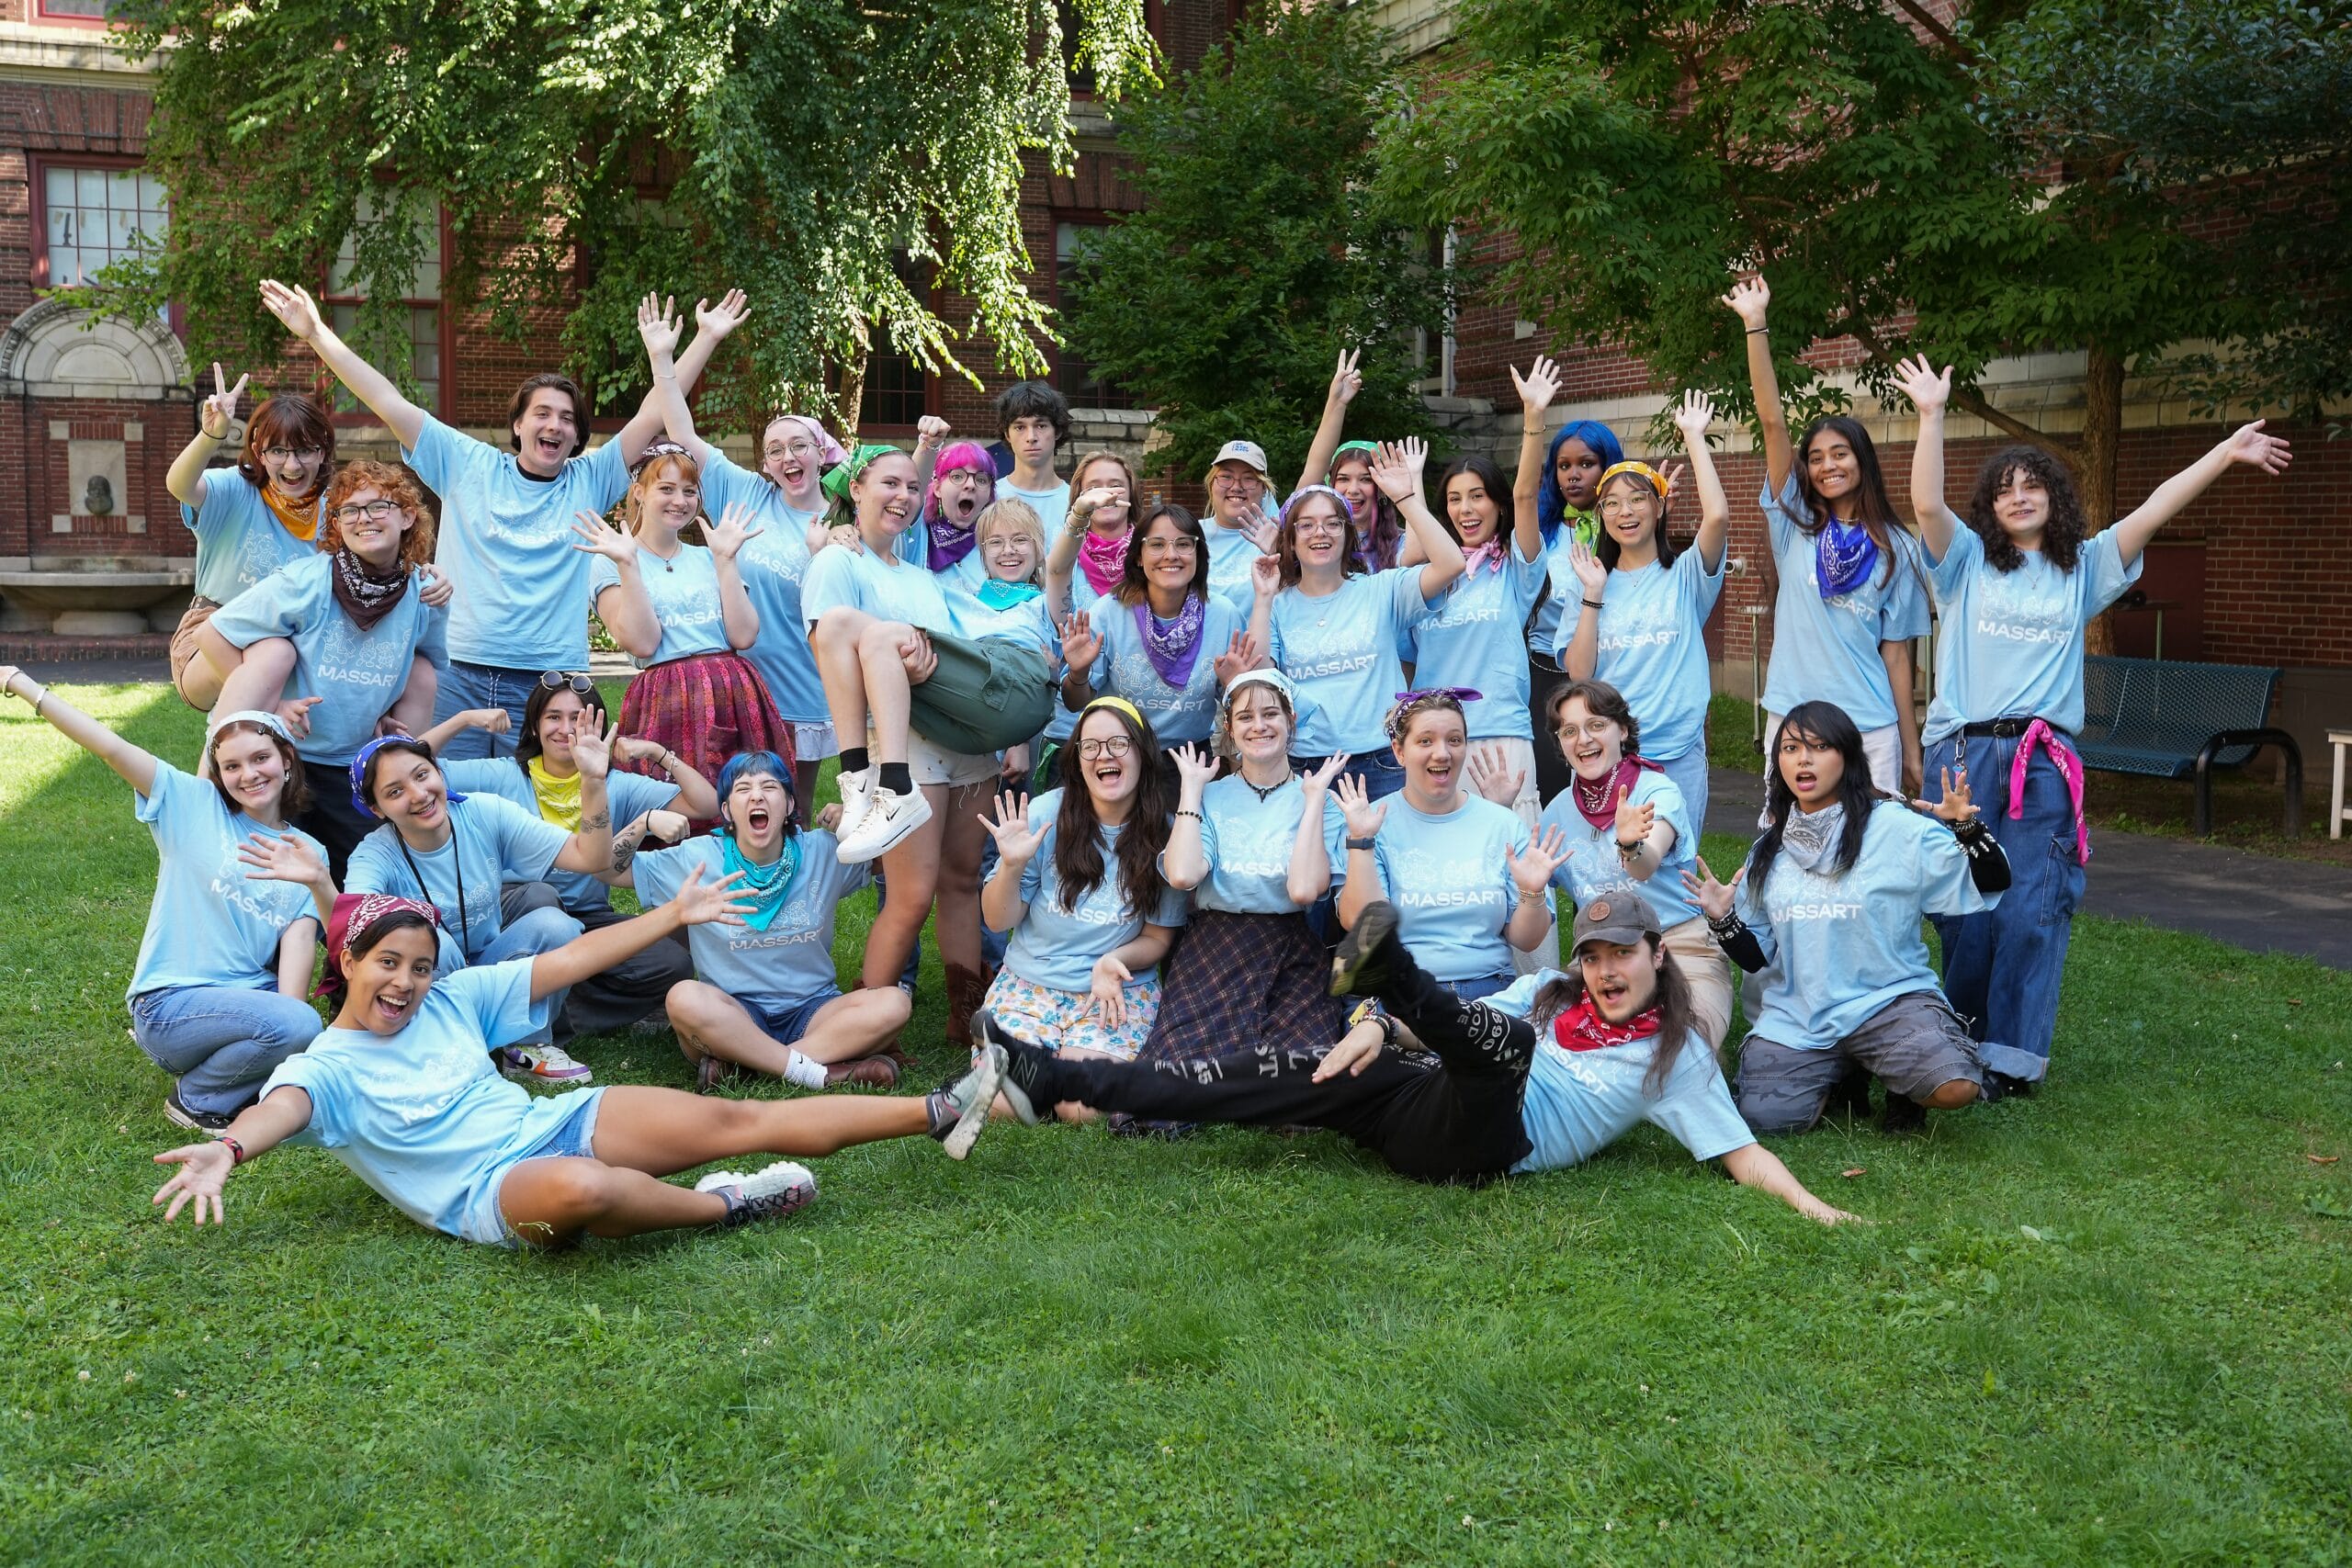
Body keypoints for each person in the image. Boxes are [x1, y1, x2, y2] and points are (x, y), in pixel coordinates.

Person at [148, 886, 1020, 1248]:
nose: (406, 983)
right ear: (350, 961)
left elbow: (576, 957)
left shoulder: (454, 999)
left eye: (419, 965)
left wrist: (673, 911)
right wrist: (231, 1148)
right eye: (388, 964)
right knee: (581, 1192)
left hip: (554, 1119)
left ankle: (939, 1111)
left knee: (738, 1119)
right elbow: (287, 1104)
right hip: (492, 1192)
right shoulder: (329, 1062)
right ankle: (727, 1204)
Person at [1894, 355, 2293, 1092]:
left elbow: (2156, 508)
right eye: (2006, 488)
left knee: (2031, 906)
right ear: (1991, 505)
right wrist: (1929, 415)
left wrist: (2224, 451)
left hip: (2042, 762)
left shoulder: (2086, 567)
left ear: (2055, 498)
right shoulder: (1970, 564)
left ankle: (2013, 1061)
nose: (2019, 497)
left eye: (2033, 484)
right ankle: (1960, 1045)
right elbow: (1923, 507)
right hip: (1965, 755)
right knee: (1964, 909)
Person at [979, 890, 1856, 1223]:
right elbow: (1459, 1024)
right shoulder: (1551, 989)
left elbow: (1743, 1153)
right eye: (1592, 955)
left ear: (1655, 954)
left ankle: (1387, 964)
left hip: (1487, 1145)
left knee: (1504, 1051)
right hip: (1419, 1101)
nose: (1605, 970)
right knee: (1260, 1076)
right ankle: (1046, 1074)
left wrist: (1818, 1210)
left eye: (1621, 954)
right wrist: (1376, 1029)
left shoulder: (1677, 1056)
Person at [256, 281, 729, 755]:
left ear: (577, 434)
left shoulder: (590, 478)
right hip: (456, 674)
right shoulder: (468, 463)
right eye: (542, 413)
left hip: (550, 685)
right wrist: (318, 333)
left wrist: (699, 341)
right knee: (441, 800)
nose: (555, 425)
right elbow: (386, 400)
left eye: (567, 418)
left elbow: (654, 412)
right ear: (518, 424)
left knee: (541, 815)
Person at [0, 673, 334, 1131]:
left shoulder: (309, 852)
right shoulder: (191, 804)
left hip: (248, 1004)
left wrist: (290, 1047)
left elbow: (298, 948)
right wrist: (25, 687)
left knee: (302, 1027)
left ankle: (248, 1074)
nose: (249, 774)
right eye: (232, 766)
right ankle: (198, 1097)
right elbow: (110, 747)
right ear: (219, 775)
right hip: (171, 1005)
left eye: (260, 758)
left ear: (287, 760)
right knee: (297, 1027)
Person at [1684, 701, 2012, 1134]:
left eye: (1819, 747)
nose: (1803, 759)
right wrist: (1722, 918)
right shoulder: (1770, 853)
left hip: (1889, 1002)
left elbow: (1992, 878)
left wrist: (1968, 830)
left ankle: (1903, 1084)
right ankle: (1842, 1071)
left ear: (1847, 756)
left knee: (1954, 1087)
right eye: (1790, 748)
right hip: (1802, 1016)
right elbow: (1755, 957)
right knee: (1764, 1119)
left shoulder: (1894, 828)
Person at [803, 446, 1055, 875]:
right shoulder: (836, 559)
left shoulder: (923, 577)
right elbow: (828, 647)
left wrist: (1037, 652)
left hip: (952, 727)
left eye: (914, 488)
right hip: (901, 736)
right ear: (857, 489)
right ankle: (863, 780)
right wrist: (832, 536)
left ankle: (877, 786)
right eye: (891, 484)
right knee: (909, 896)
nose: (904, 495)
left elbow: (967, 640)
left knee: (963, 882)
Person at [1724, 274, 1929, 798]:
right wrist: (1756, 325)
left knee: (1870, 860)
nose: (1827, 466)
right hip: (1794, 721)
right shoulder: (1793, 522)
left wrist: (1910, 748)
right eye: (1815, 457)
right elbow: (1772, 423)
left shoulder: (1898, 548)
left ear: (1862, 460)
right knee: (1788, 848)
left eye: (1839, 453)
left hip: (1870, 725)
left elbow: (1898, 655)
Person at [194, 459, 449, 879]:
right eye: (349, 511)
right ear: (337, 526)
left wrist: (388, 711)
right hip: (291, 755)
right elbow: (212, 635)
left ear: (407, 517)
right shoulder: (307, 581)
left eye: (378, 507)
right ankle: (205, 796)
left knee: (423, 672)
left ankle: (403, 793)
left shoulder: (424, 592)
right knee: (260, 871)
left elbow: (421, 662)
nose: (363, 519)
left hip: (355, 761)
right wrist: (276, 705)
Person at [641, 289, 841, 806]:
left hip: (803, 694)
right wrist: (667, 355)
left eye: (799, 446)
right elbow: (678, 427)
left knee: (787, 809)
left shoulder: (842, 520)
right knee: (731, 807)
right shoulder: (748, 492)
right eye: (775, 450)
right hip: (733, 688)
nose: (787, 457)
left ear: (821, 453)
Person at [439, 673, 716, 1039]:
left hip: (587, 917)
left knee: (671, 965)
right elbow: (411, 765)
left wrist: (656, 753)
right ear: (535, 727)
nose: (565, 728)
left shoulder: (614, 783)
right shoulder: (502, 775)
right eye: (553, 717)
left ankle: (552, 1013)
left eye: (578, 718)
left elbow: (707, 803)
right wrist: (463, 720)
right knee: (543, 896)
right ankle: (526, 1000)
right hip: (516, 913)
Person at [619, 751, 911, 1091]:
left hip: (814, 1010)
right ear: (727, 811)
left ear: (788, 805)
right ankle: (821, 1069)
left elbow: (896, 856)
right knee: (683, 998)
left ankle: (753, 1066)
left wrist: (858, 824)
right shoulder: (698, 858)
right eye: (742, 789)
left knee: (894, 1003)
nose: (756, 795)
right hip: (733, 1013)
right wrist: (644, 822)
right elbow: (608, 869)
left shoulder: (822, 849)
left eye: (769, 786)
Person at [342, 732, 615, 1082]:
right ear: (376, 809)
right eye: (395, 791)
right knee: (429, 939)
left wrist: (592, 781)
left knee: (557, 925)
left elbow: (591, 856)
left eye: (422, 775)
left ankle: (524, 1048)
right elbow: (353, 927)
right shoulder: (374, 854)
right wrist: (321, 883)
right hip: (434, 980)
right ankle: (442, 1046)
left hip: (492, 962)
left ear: (438, 771)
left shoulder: (483, 812)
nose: (419, 795)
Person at [1148, 671, 1351, 1097]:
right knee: (1174, 1087)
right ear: (1230, 729)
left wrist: (1312, 803)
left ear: (1290, 720)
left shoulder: (1318, 797)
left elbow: (1304, 891)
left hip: (1289, 945)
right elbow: (1183, 875)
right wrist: (1191, 790)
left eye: (1271, 713)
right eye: (1245, 717)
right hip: (1216, 944)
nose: (1259, 725)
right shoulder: (1211, 795)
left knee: (1302, 1086)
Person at [977, 698, 1189, 1094]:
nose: (1103, 755)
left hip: (1117, 989)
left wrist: (1114, 960)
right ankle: (1040, 1065)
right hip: (1031, 983)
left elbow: (1158, 938)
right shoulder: (1043, 816)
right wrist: (1010, 866)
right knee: (1007, 1096)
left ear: (1142, 753)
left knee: (1085, 1104)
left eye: (1117, 744)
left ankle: (1052, 1068)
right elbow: (997, 920)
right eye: (1089, 747)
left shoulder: (1168, 834)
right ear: (1077, 762)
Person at [573, 436, 789, 818]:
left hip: (732, 692)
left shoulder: (710, 555)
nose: (680, 500)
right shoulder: (610, 562)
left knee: (747, 805)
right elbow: (643, 642)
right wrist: (628, 564)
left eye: (689, 491)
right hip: (664, 697)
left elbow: (744, 635)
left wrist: (724, 560)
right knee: (678, 813)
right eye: (667, 488)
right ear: (639, 492)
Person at [1249, 440, 1467, 797]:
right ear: (1289, 541)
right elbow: (1260, 676)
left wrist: (1406, 498)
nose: (1320, 533)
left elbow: (1451, 563)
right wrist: (1262, 598)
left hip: (1382, 762)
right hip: (1306, 767)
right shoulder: (1276, 602)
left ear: (1348, 534)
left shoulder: (1381, 590)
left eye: (1333, 523)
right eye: (1306, 526)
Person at [1555, 390, 1732, 831]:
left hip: (1678, 752)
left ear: (1659, 506)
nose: (1625, 511)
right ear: (1601, 515)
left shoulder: (1688, 574)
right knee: (1615, 871)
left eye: (1637, 499)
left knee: (1673, 871)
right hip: (1609, 755)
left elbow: (1718, 518)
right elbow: (1579, 673)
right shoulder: (1589, 578)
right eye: (1611, 503)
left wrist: (1693, 437)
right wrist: (1593, 594)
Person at [1401, 449, 1551, 968]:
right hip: (1435, 745)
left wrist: (1532, 418)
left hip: (1500, 741)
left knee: (1514, 867)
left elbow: (1527, 494)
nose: (1466, 509)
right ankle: (1450, 984)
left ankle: (1531, 1003)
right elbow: (1405, 664)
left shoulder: (1515, 566)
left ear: (1497, 503)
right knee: (1448, 869)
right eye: (1455, 499)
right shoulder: (1424, 577)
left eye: (1478, 496)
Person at [1532, 680, 1731, 1050]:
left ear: (1622, 730)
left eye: (1596, 725)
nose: (1583, 740)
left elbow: (1645, 865)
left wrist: (1629, 843)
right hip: (1601, 955)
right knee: (1553, 1044)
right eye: (1570, 731)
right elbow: (1534, 922)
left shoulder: (1657, 790)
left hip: (1678, 946)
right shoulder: (1556, 812)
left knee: (1689, 1049)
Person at [931, 498, 1064, 1046]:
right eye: (995, 543)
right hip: (970, 733)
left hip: (1023, 731)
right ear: (980, 553)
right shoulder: (963, 599)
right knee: (982, 856)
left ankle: (1019, 969)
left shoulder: (1043, 601)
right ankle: (983, 979)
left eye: (1020, 542)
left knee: (1018, 855)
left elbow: (1044, 671)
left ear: (1037, 550)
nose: (1008, 552)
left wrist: (1019, 742)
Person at [1333, 689, 1565, 1002]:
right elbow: (1360, 925)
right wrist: (1362, 842)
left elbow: (1526, 939)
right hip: (1399, 991)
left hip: (1488, 989)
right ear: (1399, 751)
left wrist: (1532, 893)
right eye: (1425, 741)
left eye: (1454, 740)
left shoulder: (1502, 824)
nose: (1442, 753)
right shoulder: (1372, 823)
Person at [163, 368, 343, 707]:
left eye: (305, 450)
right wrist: (210, 435)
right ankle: (269, 710)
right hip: (213, 637)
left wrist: (423, 574)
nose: (292, 464)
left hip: (300, 642)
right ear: (259, 452)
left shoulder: (337, 508)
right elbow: (179, 485)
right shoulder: (235, 490)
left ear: (322, 453)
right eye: (278, 451)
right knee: (271, 649)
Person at [1514, 355, 1626, 806]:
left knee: (1610, 793)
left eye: (1587, 463)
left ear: (1608, 466)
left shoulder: (1625, 529)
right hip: (1548, 675)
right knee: (1555, 794)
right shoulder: (1544, 532)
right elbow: (1522, 494)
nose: (1574, 475)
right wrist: (1533, 416)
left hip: (1611, 674)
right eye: (1564, 466)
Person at [1057, 501, 1256, 750]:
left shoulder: (1224, 614)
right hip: (1123, 753)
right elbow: (1075, 703)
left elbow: (1240, 709)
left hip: (1192, 756)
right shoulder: (1109, 612)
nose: (1171, 555)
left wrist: (1234, 686)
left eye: (1183, 544)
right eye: (1157, 545)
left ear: (1199, 554)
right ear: (1139, 557)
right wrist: (1078, 672)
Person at [1197, 351, 1362, 606]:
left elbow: (1315, 466)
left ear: (1264, 489)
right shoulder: (1192, 534)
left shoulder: (1279, 531)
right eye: (1226, 477)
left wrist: (1336, 403)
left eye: (1249, 478)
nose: (1236, 486)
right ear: (1211, 484)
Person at [1038, 449, 1142, 785]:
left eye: (1116, 485)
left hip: (1134, 733)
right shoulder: (1065, 552)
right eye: (1094, 487)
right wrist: (1081, 513)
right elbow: (1055, 568)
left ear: (1132, 491)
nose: (1106, 493)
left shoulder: (1151, 555)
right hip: (1072, 730)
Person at [994, 379, 1074, 536]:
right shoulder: (988, 498)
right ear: (1007, 434)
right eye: (1020, 427)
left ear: (1057, 432)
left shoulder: (1076, 504)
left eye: (1041, 426)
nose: (1031, 437)